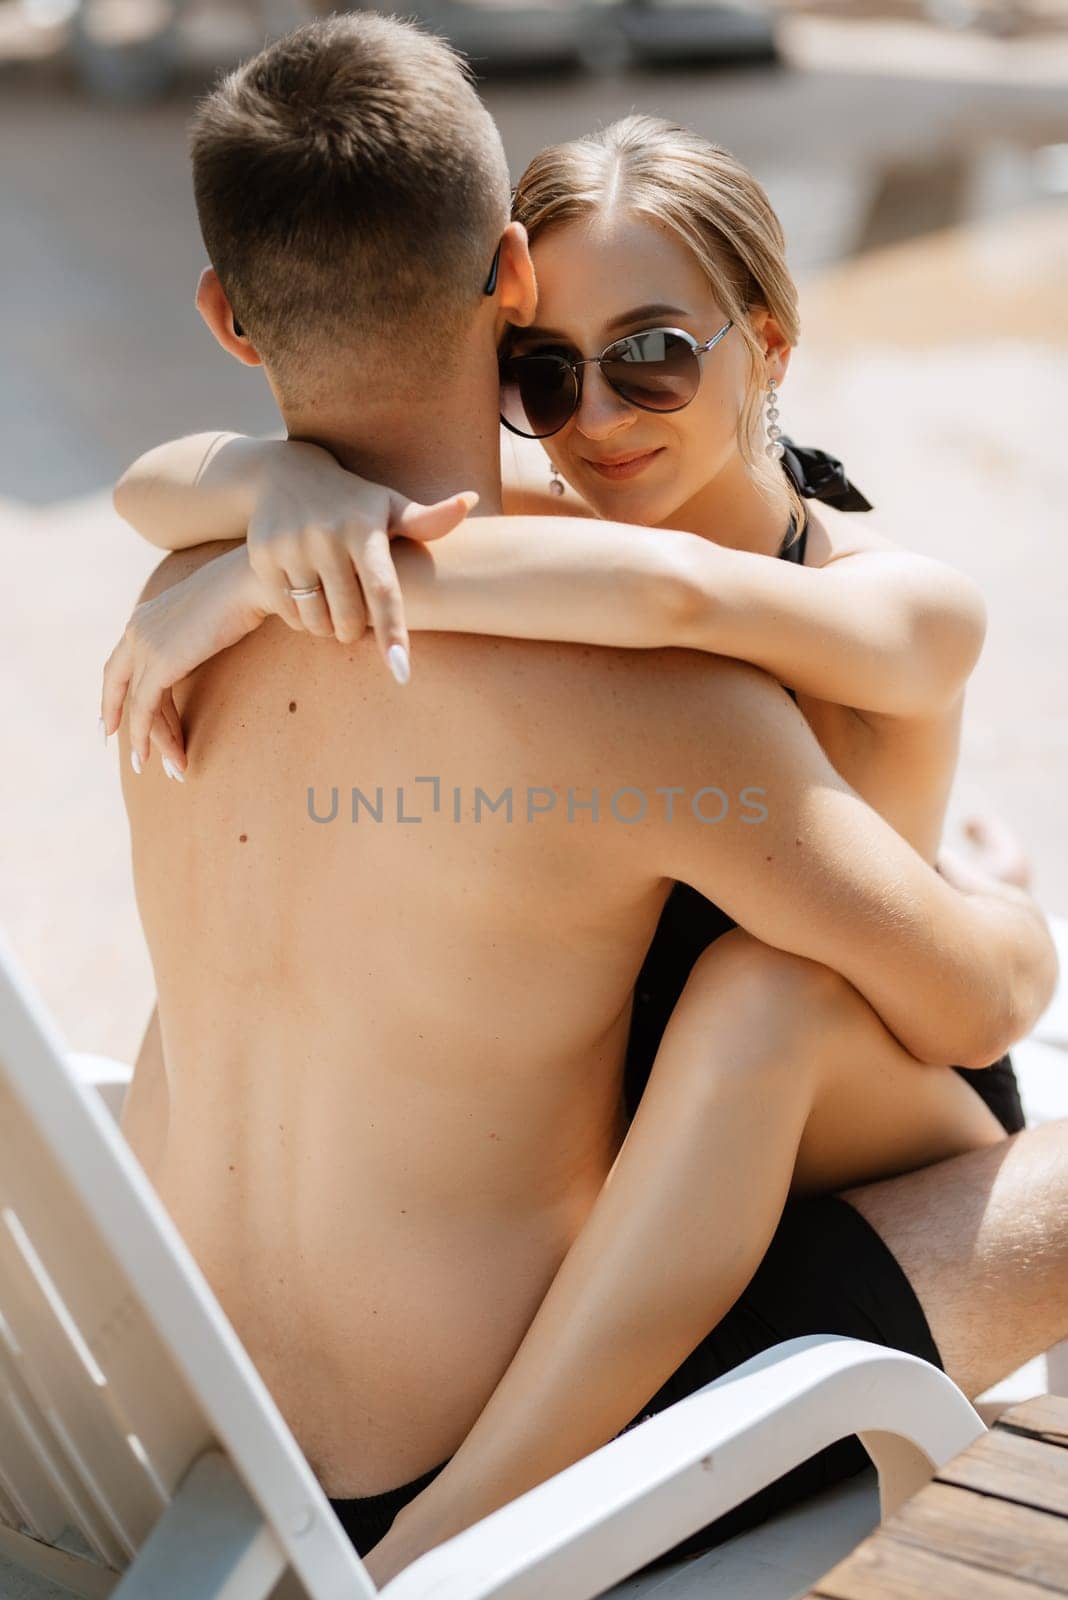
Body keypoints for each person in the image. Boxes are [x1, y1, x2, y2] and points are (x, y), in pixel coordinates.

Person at [106, 13, 1064, 1584]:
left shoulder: (186, 597)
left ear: (225, 316)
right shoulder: (635, 686)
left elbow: (673, 589)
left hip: (212, 1451)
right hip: (491, 1470)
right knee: (786, 1012)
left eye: (655, 358)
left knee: (764, 997)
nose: (600, 414)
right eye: (553, 372)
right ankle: (446, 1555)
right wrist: (1009, 928)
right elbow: (664, 612)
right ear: (509, 278)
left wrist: (252, 518)